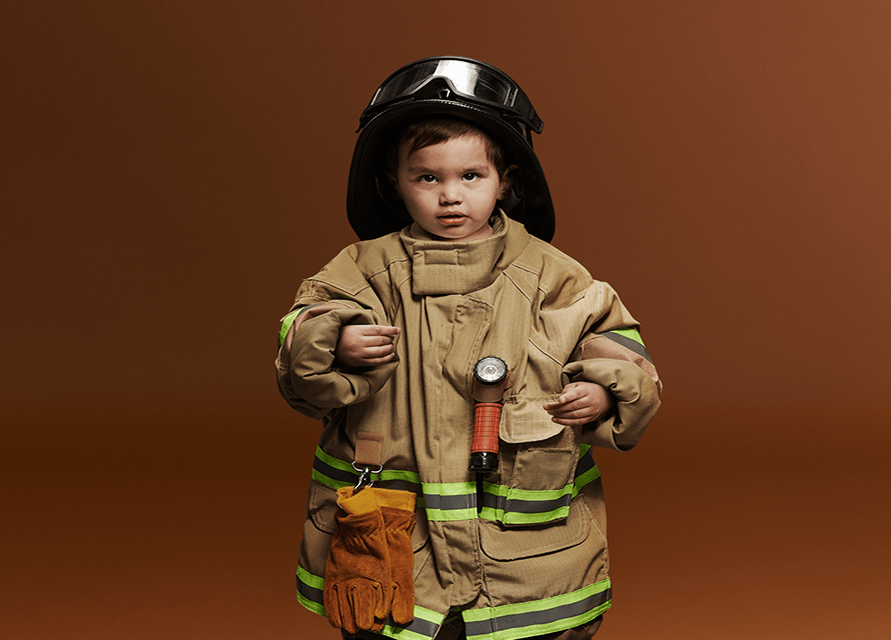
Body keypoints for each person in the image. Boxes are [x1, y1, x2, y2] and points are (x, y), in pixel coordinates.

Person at [275, 56, 662, 640]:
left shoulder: (556, 279)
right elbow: (297, 358)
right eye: (428, 178)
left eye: (470, 177)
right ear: (393, 181)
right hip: (394, 542)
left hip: (528, 562)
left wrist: (605, 397)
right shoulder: (362, 273)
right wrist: (336, 341)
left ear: (505, 179)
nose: (450, 197)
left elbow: (630, 362)